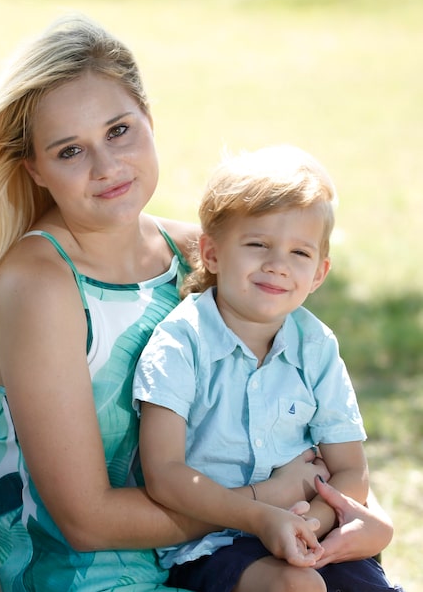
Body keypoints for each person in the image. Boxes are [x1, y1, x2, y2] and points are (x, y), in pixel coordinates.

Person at [0, 14, 394, 591]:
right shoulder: (41, 283)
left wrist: (323, 514)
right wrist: (268, 500)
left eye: (119, 130)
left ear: (149, 119)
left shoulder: (194, 255)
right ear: (36, 169)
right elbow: (84, 522)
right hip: (95, 579)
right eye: (70, 150)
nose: (107, 168)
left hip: (229, 553)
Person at [134, 145, 403, 591]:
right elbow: (164, 475)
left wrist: (309, 524)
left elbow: (351, 470)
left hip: (313, 531)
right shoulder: (180, 343)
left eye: (300, 253)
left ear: (319, 273)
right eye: (258, 244)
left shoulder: (315, 346)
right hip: (215, 542)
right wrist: (262, 517)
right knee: (296, 587)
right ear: (213, 254)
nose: (278, 265)